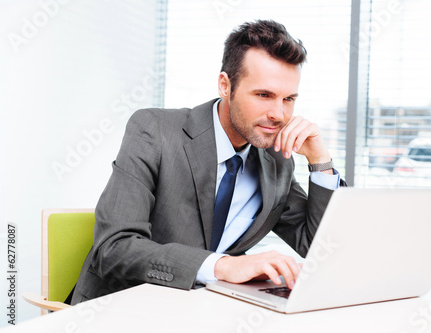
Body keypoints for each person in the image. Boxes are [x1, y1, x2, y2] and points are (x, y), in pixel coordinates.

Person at [71, 19, 346, 305]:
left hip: (208, 311)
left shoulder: (276, 159)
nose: (279, 114)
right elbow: (114, 249)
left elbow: (319, 246)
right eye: (264, 95)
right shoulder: (154, 130)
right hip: (122, 307)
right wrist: (223, 266)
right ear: (225, 86)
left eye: (288, 99)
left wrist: (320, 161)